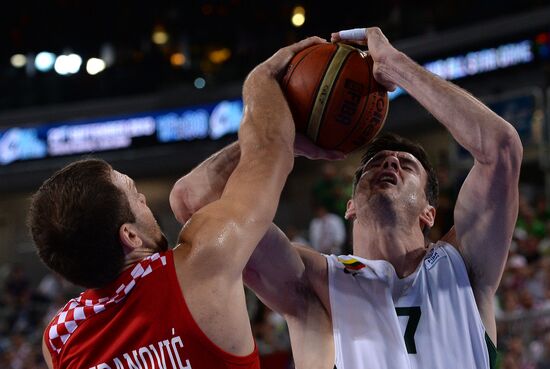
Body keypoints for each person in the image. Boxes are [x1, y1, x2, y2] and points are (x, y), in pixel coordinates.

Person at [170, 27, 523, 369]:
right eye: (374, 164)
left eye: (407, 165)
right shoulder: (314, 286)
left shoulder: (464, 266)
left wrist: (396, 66)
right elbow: (193, 199)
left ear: (429, 214)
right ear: (350, 206)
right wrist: (281, 135)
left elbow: (501, 148)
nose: (389, 162)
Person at [27, 36, 326, 369]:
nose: (142, 198)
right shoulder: (200, 263)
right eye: (133, 192)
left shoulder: (60, 339)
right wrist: (264, 78)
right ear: (129, 236)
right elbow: (269, 149)